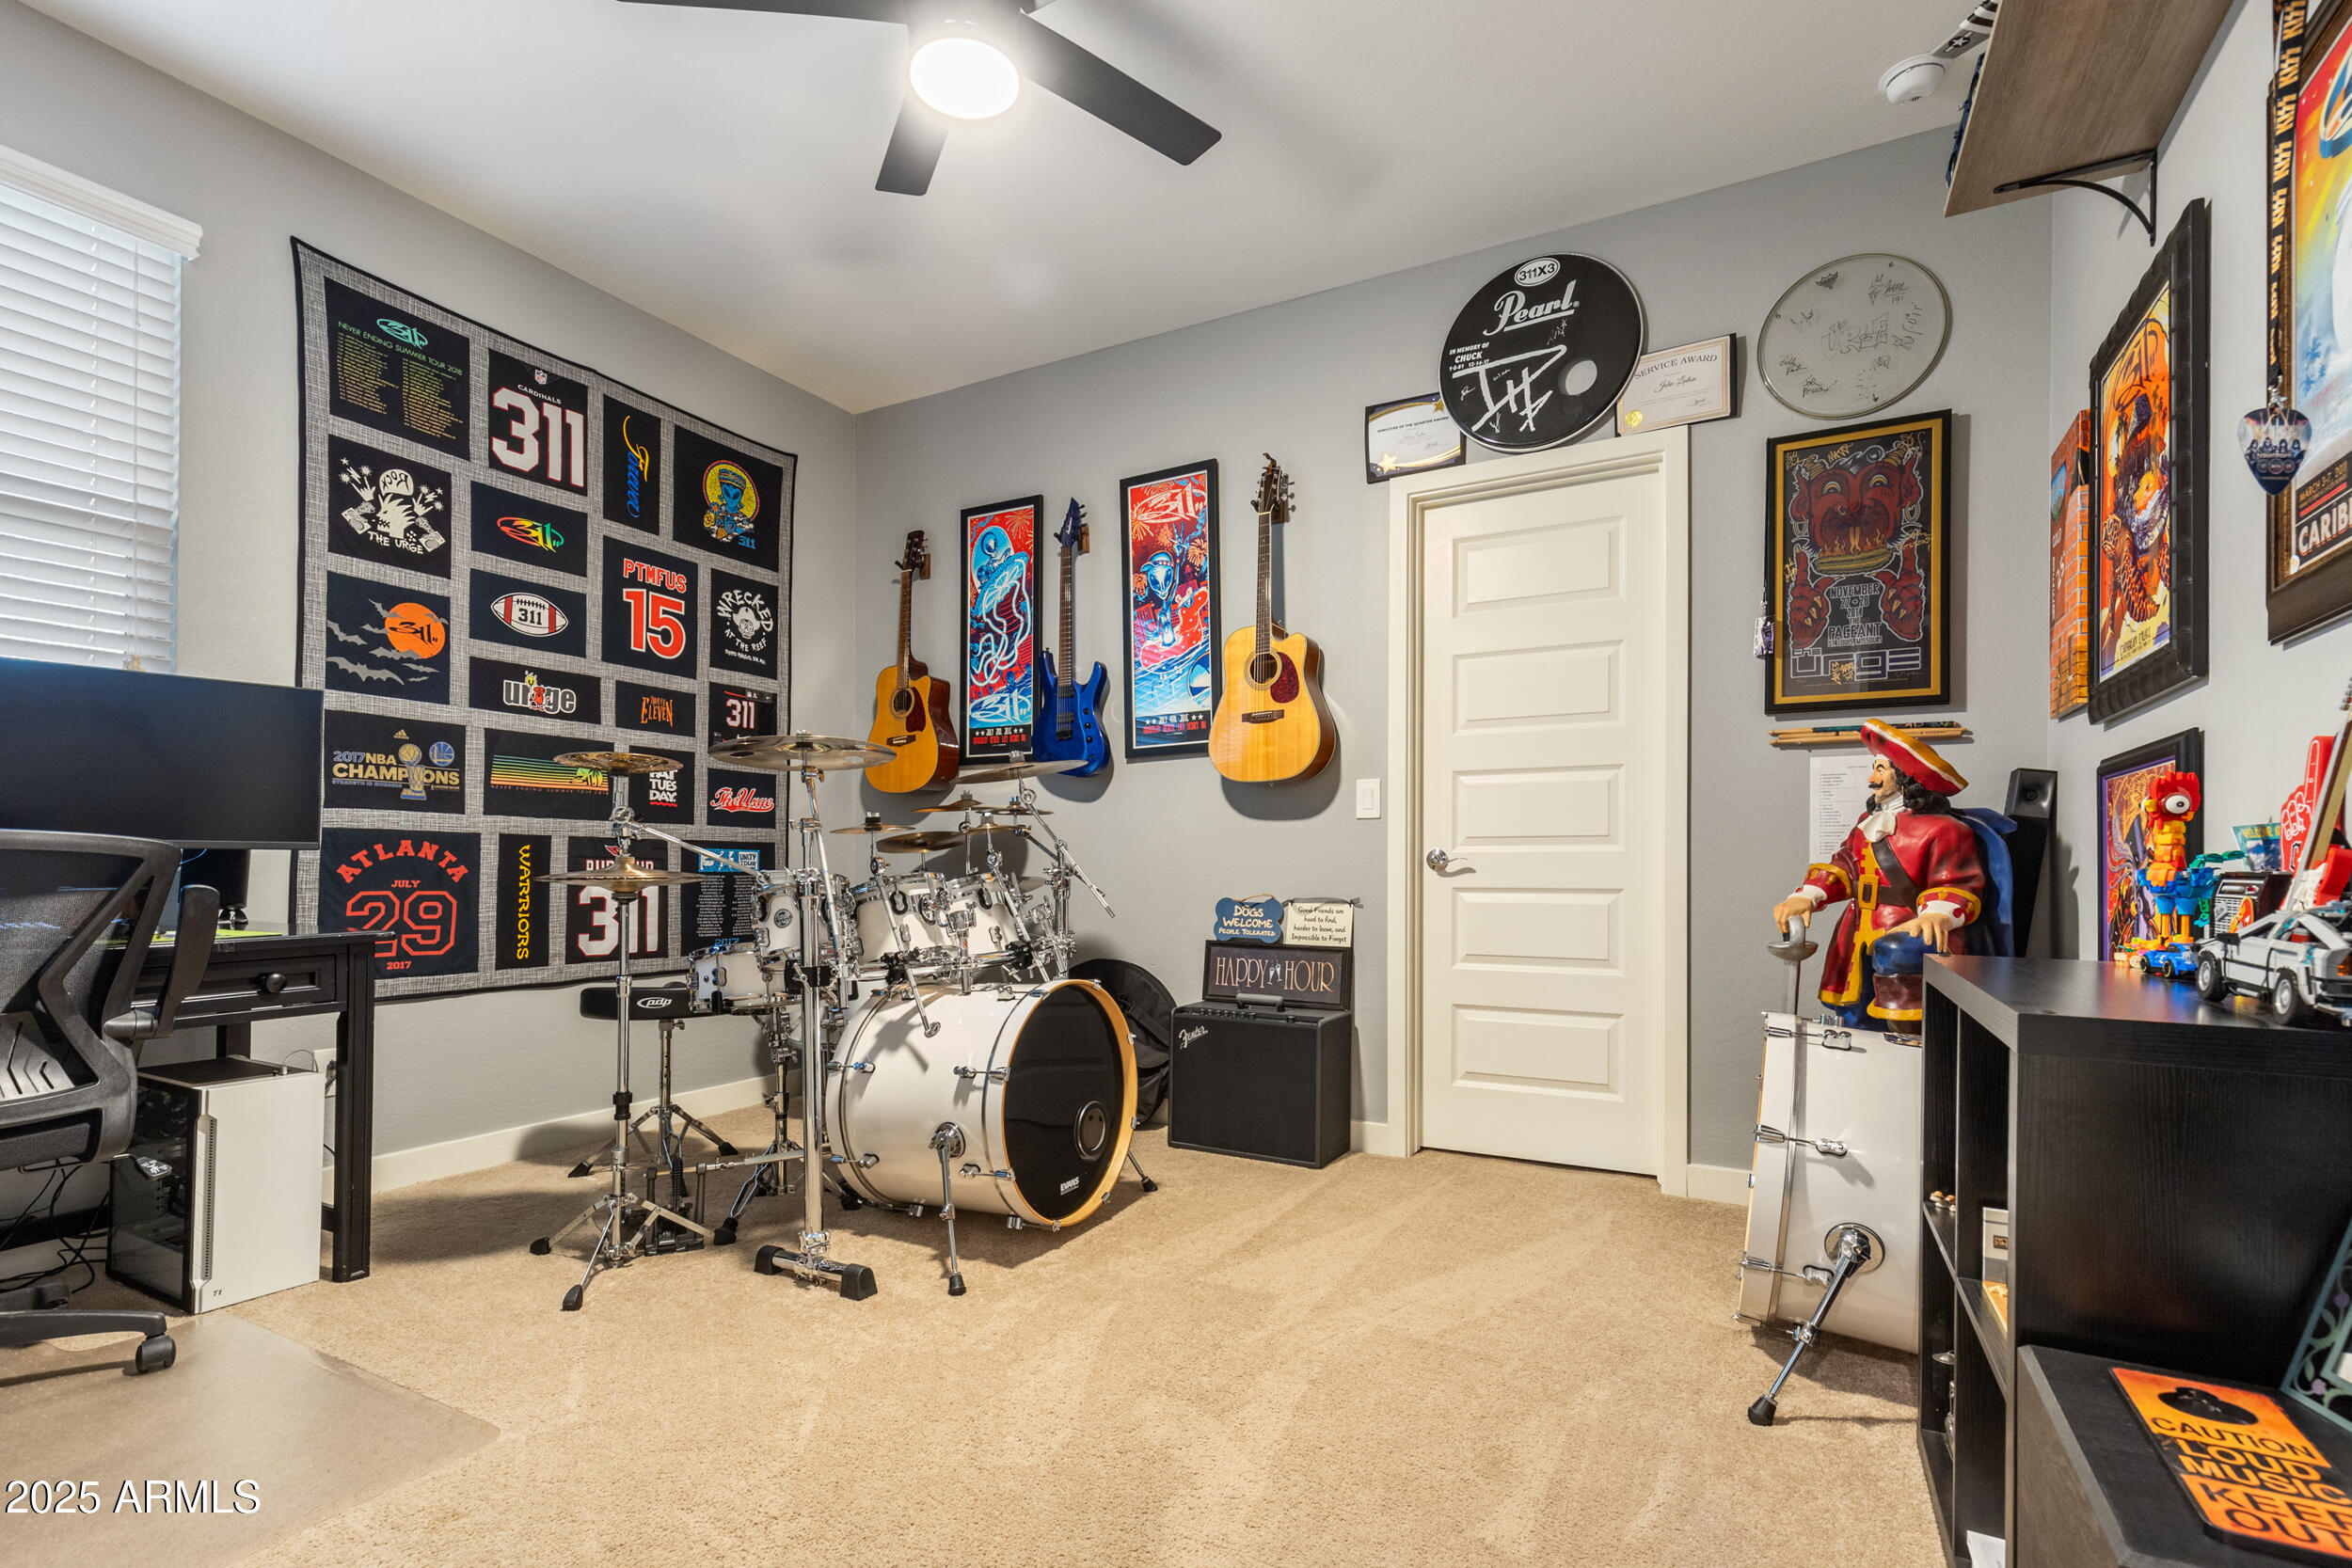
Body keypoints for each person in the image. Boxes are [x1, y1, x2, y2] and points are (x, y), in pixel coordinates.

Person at [1770, 720, 1990, 1029]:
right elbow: (1845, 864)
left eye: (1881, 770)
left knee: (1907, 1023)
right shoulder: (1867, 822)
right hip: (1857, 931)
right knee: (1855, 1018)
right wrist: (1808, 895)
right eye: (1874, 769)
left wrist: (1936, 915)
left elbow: (1958, 883)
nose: (1872, 779)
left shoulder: (1945, 830)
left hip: (1906, 932)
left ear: (1906, 777)